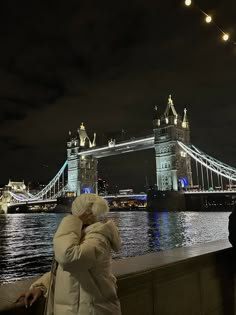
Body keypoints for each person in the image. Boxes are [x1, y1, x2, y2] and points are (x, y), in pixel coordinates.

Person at [16, 193, 122, 315]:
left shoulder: (98, 238)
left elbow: (69, 259)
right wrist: (41, 286)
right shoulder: (82, 235)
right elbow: (65, 271)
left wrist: (72, 220)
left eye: (73, 211)